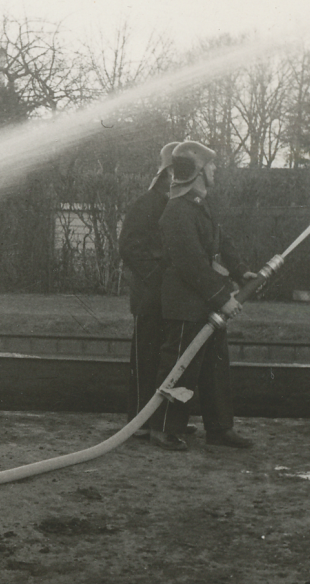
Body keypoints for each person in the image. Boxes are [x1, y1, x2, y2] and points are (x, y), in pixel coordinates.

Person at [149, 141, 256, 451]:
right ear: (195, 171)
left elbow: (220, 240)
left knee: (215, 370)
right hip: (185, 306)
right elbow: (190, 262)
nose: (214, 170)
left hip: (204, 304)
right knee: (180, 368)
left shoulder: (199, 206)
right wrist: (223, 295)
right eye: (209, 165)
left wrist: (239, 273)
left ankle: (220, 429)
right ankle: (164, 429)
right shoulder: (177, 211)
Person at [119, 142, 192, 439]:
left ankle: (165, 420)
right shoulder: (146, 204)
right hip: (150, 298)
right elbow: (128, 247)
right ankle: (138, 422)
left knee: (170, 362)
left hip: (172, 299)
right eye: (173, 171)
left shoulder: (176, 206)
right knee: (145, 361)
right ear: (165, 172)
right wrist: (156, 278)